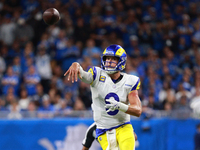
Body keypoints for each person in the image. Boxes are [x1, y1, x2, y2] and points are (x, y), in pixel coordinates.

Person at [64, 44, 142, 150]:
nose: (109, 62)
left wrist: (119, 105)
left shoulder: (129, 81)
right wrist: (76, 65)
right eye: (107, 58)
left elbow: (137, 110)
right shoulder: (96, 74)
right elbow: (83, 75)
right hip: (104, 130)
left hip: (124, 126)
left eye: (113, 59)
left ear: (121, 61)